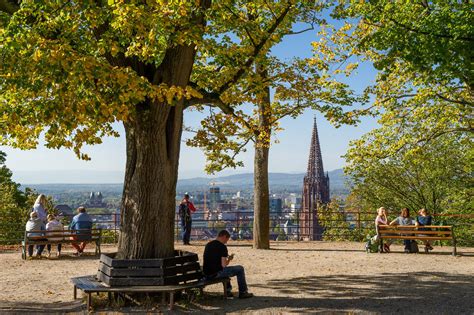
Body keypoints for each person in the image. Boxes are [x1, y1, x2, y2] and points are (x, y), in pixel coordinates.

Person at [203, 230, 253, 299]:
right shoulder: (222, 247)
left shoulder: (208, 245)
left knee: (227, 270)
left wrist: (228, 260)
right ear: (224, 237)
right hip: (216, 274)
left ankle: (228, 291)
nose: (226, 242)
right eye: (227, 239)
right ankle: (243, 292)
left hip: (207, 273)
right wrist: (229, 259)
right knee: (240, 269)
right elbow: (224, 265)